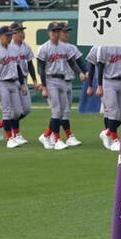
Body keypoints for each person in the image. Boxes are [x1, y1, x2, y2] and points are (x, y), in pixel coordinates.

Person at [36, 22, 86, 150]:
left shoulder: (65, 47)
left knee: (63, 111)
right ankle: (57, 139)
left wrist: (79, 72)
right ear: (48, 33)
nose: (56, 33)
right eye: (54, 31)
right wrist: (44, 87)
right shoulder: (44, 48)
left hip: (63, 80)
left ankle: (46, 135)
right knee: (57, 110)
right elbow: (40, 69)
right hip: (51, 80)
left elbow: (72, 63)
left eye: (58, 31)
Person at [94, 45, 121, 151]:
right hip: (108, 81)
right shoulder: (103, 47)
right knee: (113, 111)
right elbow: (100, 67)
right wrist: (99, 86)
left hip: (120, 81)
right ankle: (115, 140)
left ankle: (107, 132)